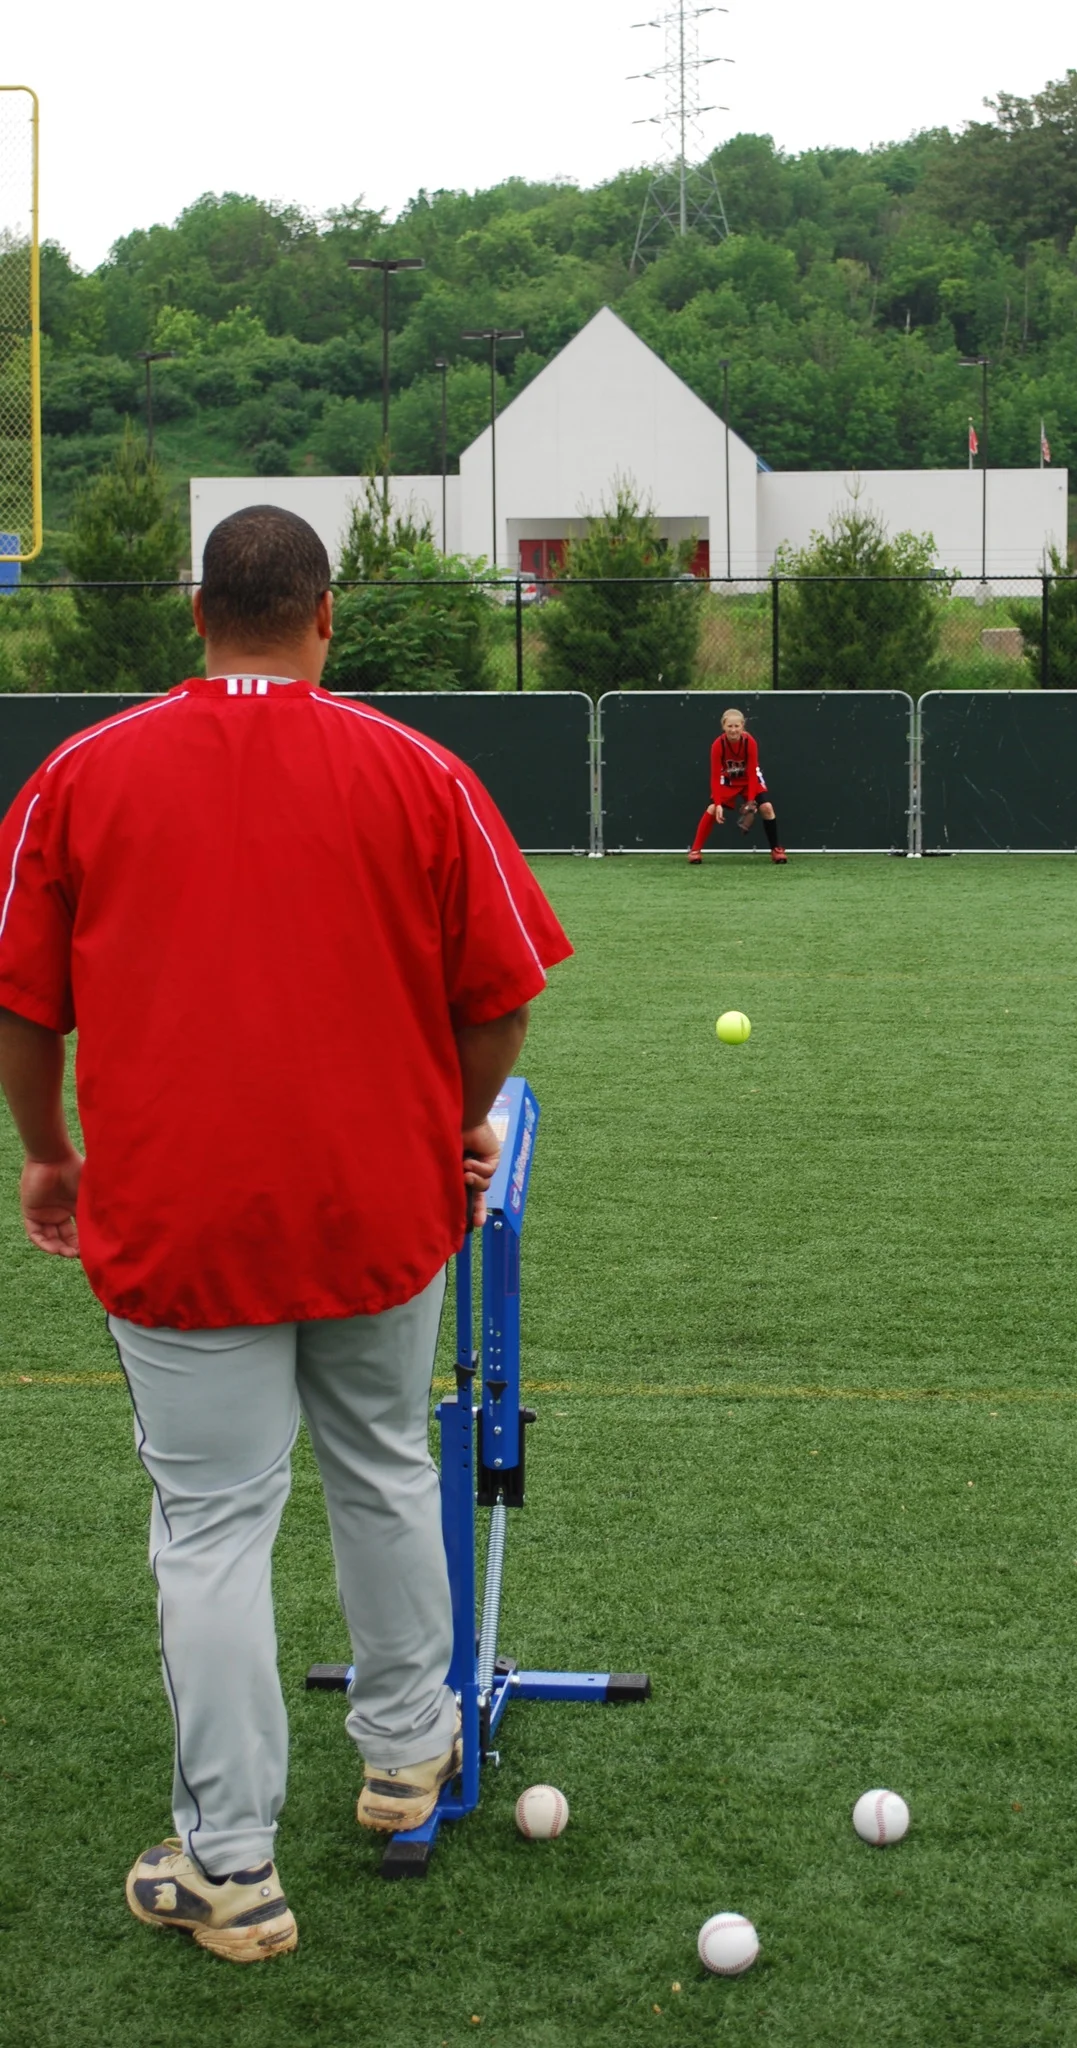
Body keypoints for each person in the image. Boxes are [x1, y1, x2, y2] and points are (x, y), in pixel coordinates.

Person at [0, 505, 571, 1964]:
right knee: (381, 1468)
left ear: (196, 615)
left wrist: (49, 1155)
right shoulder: (418, 771)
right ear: (328, 617)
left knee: (211, 1529)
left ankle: (232, 1867)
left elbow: (24, 1003)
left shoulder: (78, 775)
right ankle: (402, 1759)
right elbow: (503, 997)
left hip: (179, 1220)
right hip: (375, 1208)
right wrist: (456, 1119)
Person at [688, 706, 787, 864]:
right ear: (723, 726)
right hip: (729, 779)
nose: (733, 730)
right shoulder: (718, 745)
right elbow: (715, 776)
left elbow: (753, 772)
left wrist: (751, 801)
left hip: (749, 779)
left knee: (767, 808)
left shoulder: (750, 742)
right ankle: (695, 850)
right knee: (712, 809)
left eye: (737, 726)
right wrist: (719, 803)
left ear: (743, 726)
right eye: (729, 726)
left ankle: (776, 849)